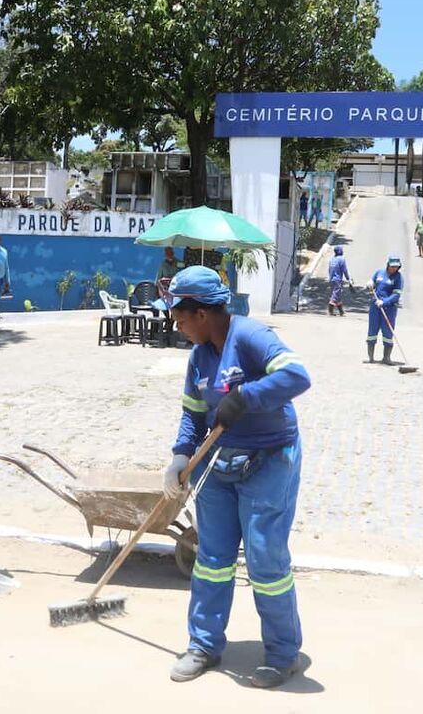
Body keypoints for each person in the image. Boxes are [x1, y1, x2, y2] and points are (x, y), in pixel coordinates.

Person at [161, 266, 311, 689]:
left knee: (266, 560)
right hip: (219, 466)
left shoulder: (250, 336)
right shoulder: (198, 356)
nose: (177, 326)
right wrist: (179, 457)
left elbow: (297, 376)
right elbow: (193, 414)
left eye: (180, 318)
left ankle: (283, 654)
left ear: (203, 313)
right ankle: (204, 645)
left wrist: (245, 397)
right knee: (211, 559)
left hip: (270, 460)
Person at [366, 255, 403, 364]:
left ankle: (386, 358)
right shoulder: (379, 273)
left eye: (396, 267)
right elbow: (372, 284)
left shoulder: (398, 278)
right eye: (392, 266)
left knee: (388, 333)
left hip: (389, 309)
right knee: (372, 331)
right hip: (375, 307)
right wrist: (369, 285)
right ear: (388, 265)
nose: (394, 269)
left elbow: (396, 294)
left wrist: (385, 302)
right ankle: (371, 358)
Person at [327, 245, 351, 316]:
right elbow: (344, 270)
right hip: (337, 279)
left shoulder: (332, 259)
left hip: (331, 279)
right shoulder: (342, 259)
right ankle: (330, 310)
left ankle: (341, 311)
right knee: (336, 294)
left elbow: (329, 269)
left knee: (337, 294)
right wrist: (348, 278)